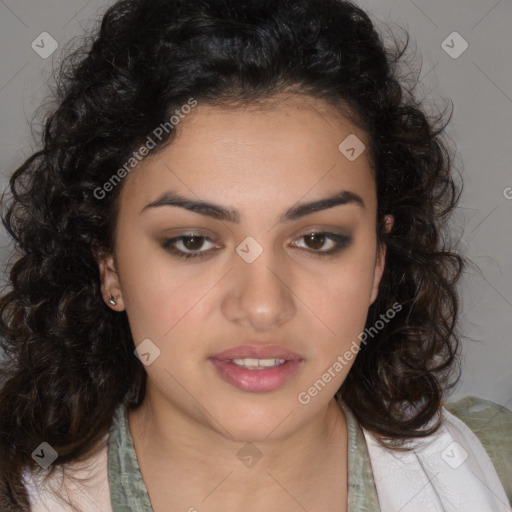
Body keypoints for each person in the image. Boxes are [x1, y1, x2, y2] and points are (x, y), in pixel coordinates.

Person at [0, 0, 510, 511]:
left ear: (378, 260)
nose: (263, 306)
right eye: (193, 241)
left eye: (316, 240)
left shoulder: (496, 469)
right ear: (109, 265)